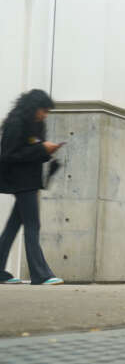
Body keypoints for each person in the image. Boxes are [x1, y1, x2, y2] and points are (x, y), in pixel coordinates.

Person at [0, 89, 64, 285]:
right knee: (32, 225)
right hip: (20, 181)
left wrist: (47, 151)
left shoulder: (36, 124)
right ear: (32, 107)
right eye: (42, 111)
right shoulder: (16, 123)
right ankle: (40, 273)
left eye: (46, 112)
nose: (44, 115)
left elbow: (34, 150)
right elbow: (9, 155)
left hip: (31, 180)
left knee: (13, 226)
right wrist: (41, 148)